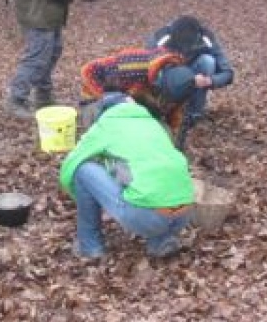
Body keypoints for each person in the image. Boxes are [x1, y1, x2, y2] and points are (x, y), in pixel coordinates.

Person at [59, 93, 195, 261]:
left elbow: (71, 163)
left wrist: (75, 191)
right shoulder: (154, 124)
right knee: (146, 175)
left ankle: (90, 246)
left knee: (83, 170)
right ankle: (162, 241)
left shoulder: (106, 124)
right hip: (184, 213)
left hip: (148, 218)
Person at [78, 46, 198, 145]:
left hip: (137, 108)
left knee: (164, 134)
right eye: (165, 98)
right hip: (97, 101)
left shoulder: (184, 85)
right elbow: (88, 70)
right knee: (113, 136)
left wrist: (172, 143)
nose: (168, 103)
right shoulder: (133, 65)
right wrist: (113, 99)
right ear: (160, 81)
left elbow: (174, 119)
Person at [146, 15, 234, 136]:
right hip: (170, 75)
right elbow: (149, 70)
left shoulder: (206, 38)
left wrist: (210, 80)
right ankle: (162, 110)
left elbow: (228, 73)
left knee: (208, 61)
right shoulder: (160, 38)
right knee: (157, 72)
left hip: (196, 74)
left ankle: (194, 114)